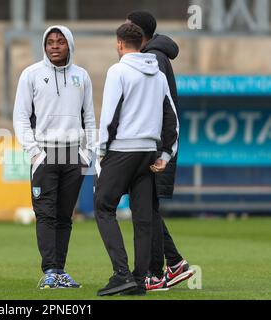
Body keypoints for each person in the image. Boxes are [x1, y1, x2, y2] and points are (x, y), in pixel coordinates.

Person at [95, 23, 179, 296]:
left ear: (120, 44)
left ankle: (121, 274)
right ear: (142, 42)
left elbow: (109, 116)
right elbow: (172, 118)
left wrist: (101, 152)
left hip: (122, 150)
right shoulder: (157, 72)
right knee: (143, 217)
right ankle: (141, 279)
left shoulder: (117, 70)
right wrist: (166, 154)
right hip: (149, 153)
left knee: (104, 207)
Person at [13, 25, 96, 289]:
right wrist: (35, 153)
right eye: (50, 42)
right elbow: (21, 117)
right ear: (44, 46)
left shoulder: (81, 76)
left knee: (64, 217)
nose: (55, 46)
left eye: (60, 41)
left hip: (74, 155)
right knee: (45, 214)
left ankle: (60, 270)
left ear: (69, 44)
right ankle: (49, 270)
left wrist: (87, 153)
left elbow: (90, 117)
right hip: (44, 154)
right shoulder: (31, 74)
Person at [126, 11, 195, 291]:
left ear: (140, 33)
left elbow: (154, 107)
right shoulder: (158, 57)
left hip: (152, 145)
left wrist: (159, 150)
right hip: (157, 144)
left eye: (130, 28)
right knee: (148, 209)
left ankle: (156, 273)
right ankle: (174, 265)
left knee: (146, 210)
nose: (124, 32)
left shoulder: (152, 59)